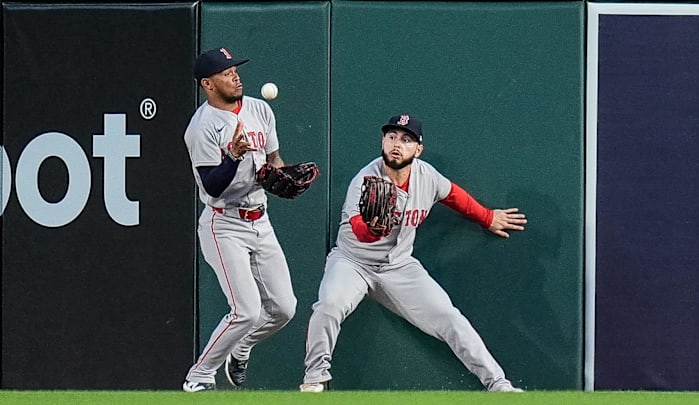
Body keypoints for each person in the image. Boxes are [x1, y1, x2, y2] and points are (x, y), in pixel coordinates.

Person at [299, 114, 527, 393]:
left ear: (418, 150)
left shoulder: (426, 176)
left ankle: (499, 385)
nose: (397, 144)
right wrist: (372, 230)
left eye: (406, 140)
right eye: (392, 137)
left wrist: (487, 217)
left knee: (449, 317)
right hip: (352, 262)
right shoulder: (365, 180)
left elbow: (454, 195)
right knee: (329, 305)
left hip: (399, 266)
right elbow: (357, 230)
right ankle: (314, 380)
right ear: (382, 141)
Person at [181, 47, 296, 392]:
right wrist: (232, 156)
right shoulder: (201, 127)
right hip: (224, 223)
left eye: (235, 69)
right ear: (207, 84)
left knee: (284, 308)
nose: (235, 75)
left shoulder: (261, 109)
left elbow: (274, 158)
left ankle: (241, 347)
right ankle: (199, 376)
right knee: (245, 310)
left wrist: (285, 175)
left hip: (261, 220)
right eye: (226, 72)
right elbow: (212, 186)